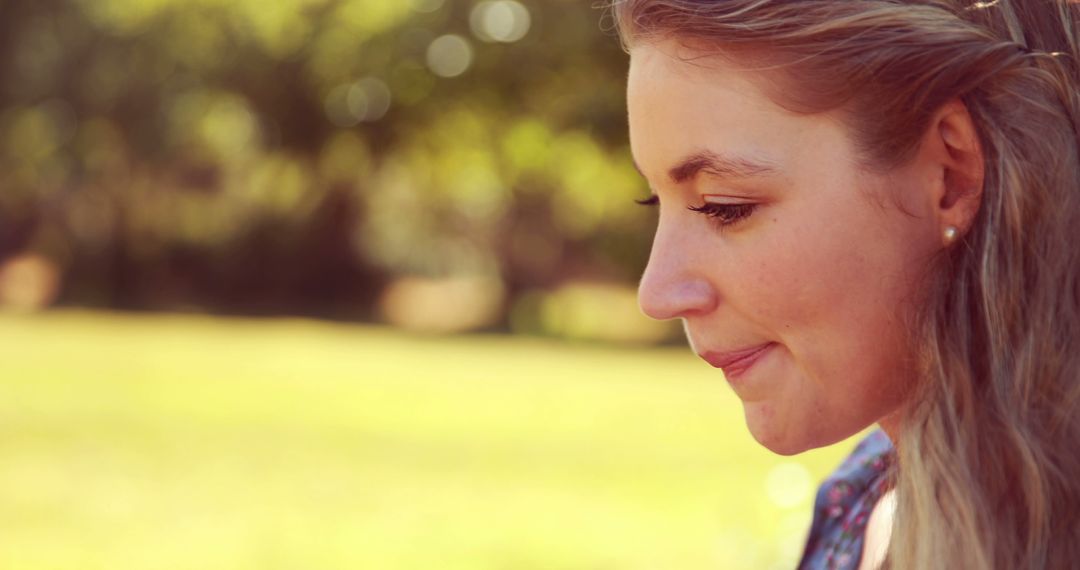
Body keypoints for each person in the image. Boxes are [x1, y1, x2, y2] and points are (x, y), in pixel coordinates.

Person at [611, 0, 1080, 568]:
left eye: (723, 207)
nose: (656, 294)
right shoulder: (855, 503)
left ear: (950, 176)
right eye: (656, 202)